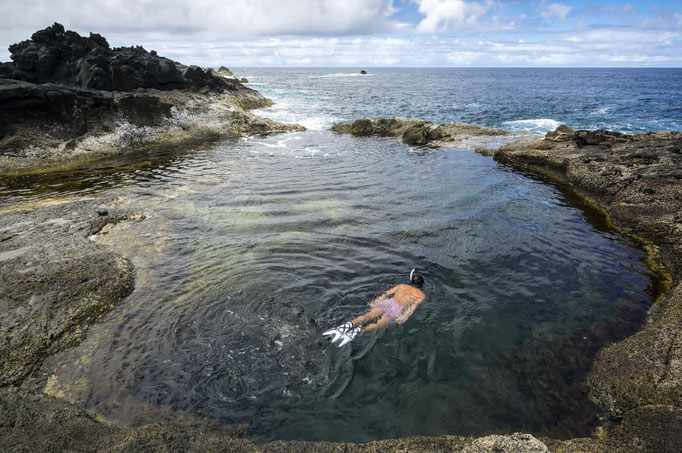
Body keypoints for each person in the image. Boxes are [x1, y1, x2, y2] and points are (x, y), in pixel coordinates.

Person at [323, 269, 426, 347]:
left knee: (368, 316)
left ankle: (349, 324)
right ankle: (360, 330)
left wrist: (378, 300)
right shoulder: (420, 295)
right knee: (379, 324)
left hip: (388, 302)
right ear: (422, 284)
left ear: (411, 281)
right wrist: (405, 316)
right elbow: (413, 307)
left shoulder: (402, 286)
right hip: (396, 309)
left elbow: (386, 293)